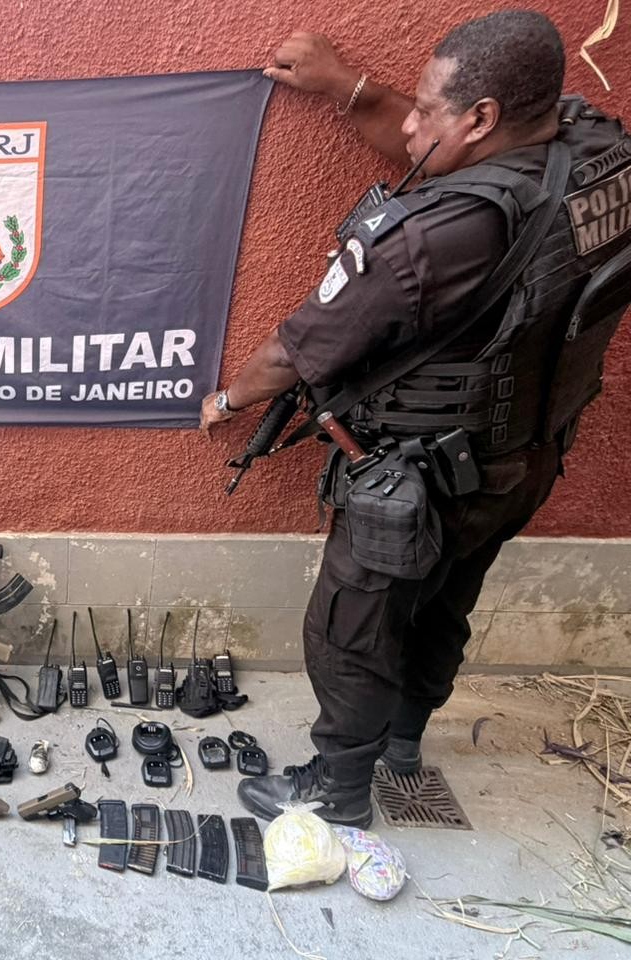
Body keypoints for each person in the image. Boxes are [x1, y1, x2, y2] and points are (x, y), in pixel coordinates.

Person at [200, 12, 631, 827]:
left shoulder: (431, 238)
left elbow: (297, 351)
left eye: (427, 108)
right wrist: (348, 88)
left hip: (422, 476)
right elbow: (468, 172)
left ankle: (340, 793)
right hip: (524, 457)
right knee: (442, 603)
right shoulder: (597, 156)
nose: (409, 122)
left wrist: (227, 400)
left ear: (481, 117)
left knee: (350, 626)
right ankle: (403, 745)